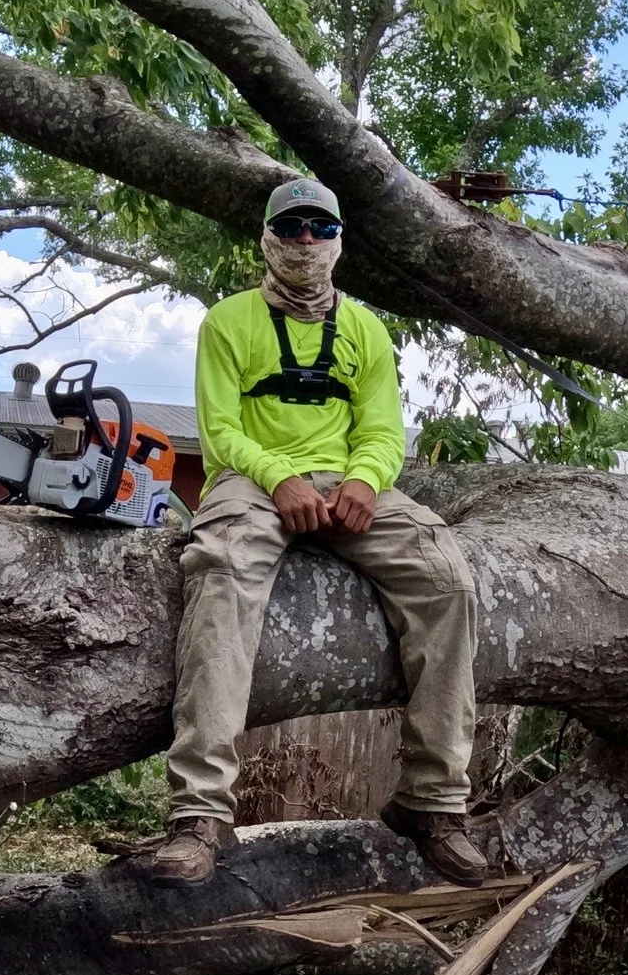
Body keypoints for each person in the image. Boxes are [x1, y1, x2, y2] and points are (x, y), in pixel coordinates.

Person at [134, 175, 489, 887]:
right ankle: (199, 813)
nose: (304, 242)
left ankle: (433, 800)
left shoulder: (365, 330)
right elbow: (221, 430)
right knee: (221, 567)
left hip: (350, 483)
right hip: (253, 481)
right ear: (266, 238)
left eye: (319, 229)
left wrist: (363, 480)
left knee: (447, 579)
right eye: (291, 227)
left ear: (338, 241)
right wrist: (278, 478)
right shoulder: (227, 322)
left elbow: (384, 430)